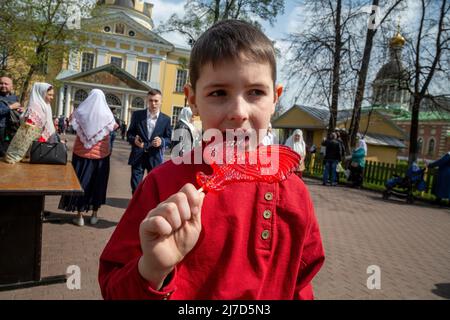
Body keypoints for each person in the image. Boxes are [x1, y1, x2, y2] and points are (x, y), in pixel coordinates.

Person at [99, 20, 324, 300]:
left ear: (275, 98)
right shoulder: (164, 185)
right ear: (192, 100)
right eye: (219, 93)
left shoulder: (295, 193)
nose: (239, 111)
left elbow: (301, 284)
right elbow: (114, 289)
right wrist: (152, 268)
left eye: (256, 92)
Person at [58, 89, 117, 226]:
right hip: (101, 156)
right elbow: (111, 132)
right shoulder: (108, 115)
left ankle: (79, 216)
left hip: (81, 154)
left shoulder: (80, 112)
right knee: (97, 184)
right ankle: (94, 214)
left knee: (80, 183)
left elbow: (73, 125)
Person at [127, 88, 172, 194]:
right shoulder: (137, 115)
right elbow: (129, 134)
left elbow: (169, 139)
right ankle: (136, 206)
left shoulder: (166, 119)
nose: (153, 103)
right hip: (138, 155)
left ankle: (149, 206)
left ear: (161, 102)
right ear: (147, 100)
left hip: (154, 157)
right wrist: (134, 140)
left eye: (156, 101)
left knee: (153, 185)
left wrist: (161, 141)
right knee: (136, 185)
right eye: (151, 100)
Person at [0, 76, 22, 157]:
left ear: (11, 86)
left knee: (9, 153)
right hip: (1, 129)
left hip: (12, 128)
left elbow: (16, 110)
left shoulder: (14, 97)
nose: (3, 85)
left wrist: (19, 110)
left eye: (6, 84)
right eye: (1, 83)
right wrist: (10, 107)